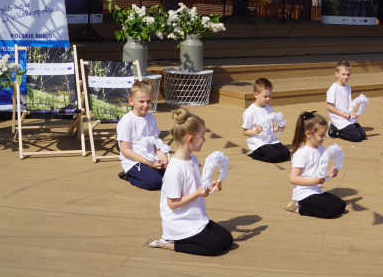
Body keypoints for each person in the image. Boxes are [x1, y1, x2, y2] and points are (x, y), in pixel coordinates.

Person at [147, 108, 233, 255]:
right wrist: (198, 193)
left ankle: (186, 238)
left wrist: (208, 187)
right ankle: (169, 243)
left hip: (195, 217)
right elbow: (172, 204)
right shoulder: (175, 169)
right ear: (191, 139)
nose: (204, 140)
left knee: (227, 240)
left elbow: (194, 188)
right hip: (179, 222)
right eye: (202, 137)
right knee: (216, 247)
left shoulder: (193, 159)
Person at [286, 112, 347, 218]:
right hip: (304, 194)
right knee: (331, 212)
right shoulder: (301, 153)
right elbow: (293, 178)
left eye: (325, 134)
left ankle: (307, 205)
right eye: (321, 135)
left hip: (316, 190)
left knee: (341, 205)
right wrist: (314, 181)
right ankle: (298, 207)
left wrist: (330, 173)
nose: (324, 138)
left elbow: (319, 172)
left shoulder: (321, 149)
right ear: (308, 134)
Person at [117, 82, 167, 191]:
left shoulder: (151, 118)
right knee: (156, 182)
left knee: (173, 177)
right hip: (135, 161)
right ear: (131, 101)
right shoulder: (127, 121)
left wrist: (162, 156)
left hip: (152, 158)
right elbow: (125, 151)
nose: (145, 105)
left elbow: (156, 142)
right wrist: (150, 163)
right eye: (141, 101)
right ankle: (129, 176)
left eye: (148, 101)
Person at [241, 78, 290, 163]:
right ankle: (253, 153)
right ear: (256, 95)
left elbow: (270, 127)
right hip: (258, 141)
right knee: (275, 157)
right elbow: (245, 132)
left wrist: (277, 129)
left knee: (286, 154)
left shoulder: (269, 109)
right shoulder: (251, 111)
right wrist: (256, 131)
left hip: (270, 139)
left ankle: (270, 150)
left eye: (270, 96)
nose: (268, 99)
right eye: (265, 96)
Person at [325, 60, 366, 142]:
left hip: (347, 117)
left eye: (348, 75)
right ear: (337, 74)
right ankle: (335, 128)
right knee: (356, 137)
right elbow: (328, 106)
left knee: (363, 135)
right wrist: (343, 115)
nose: (346, 77)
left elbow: (347, 105)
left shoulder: (348, 88)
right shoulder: (333, 89)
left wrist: (352, 114)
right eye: (343, 74)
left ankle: (337, 127)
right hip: (339, 118)